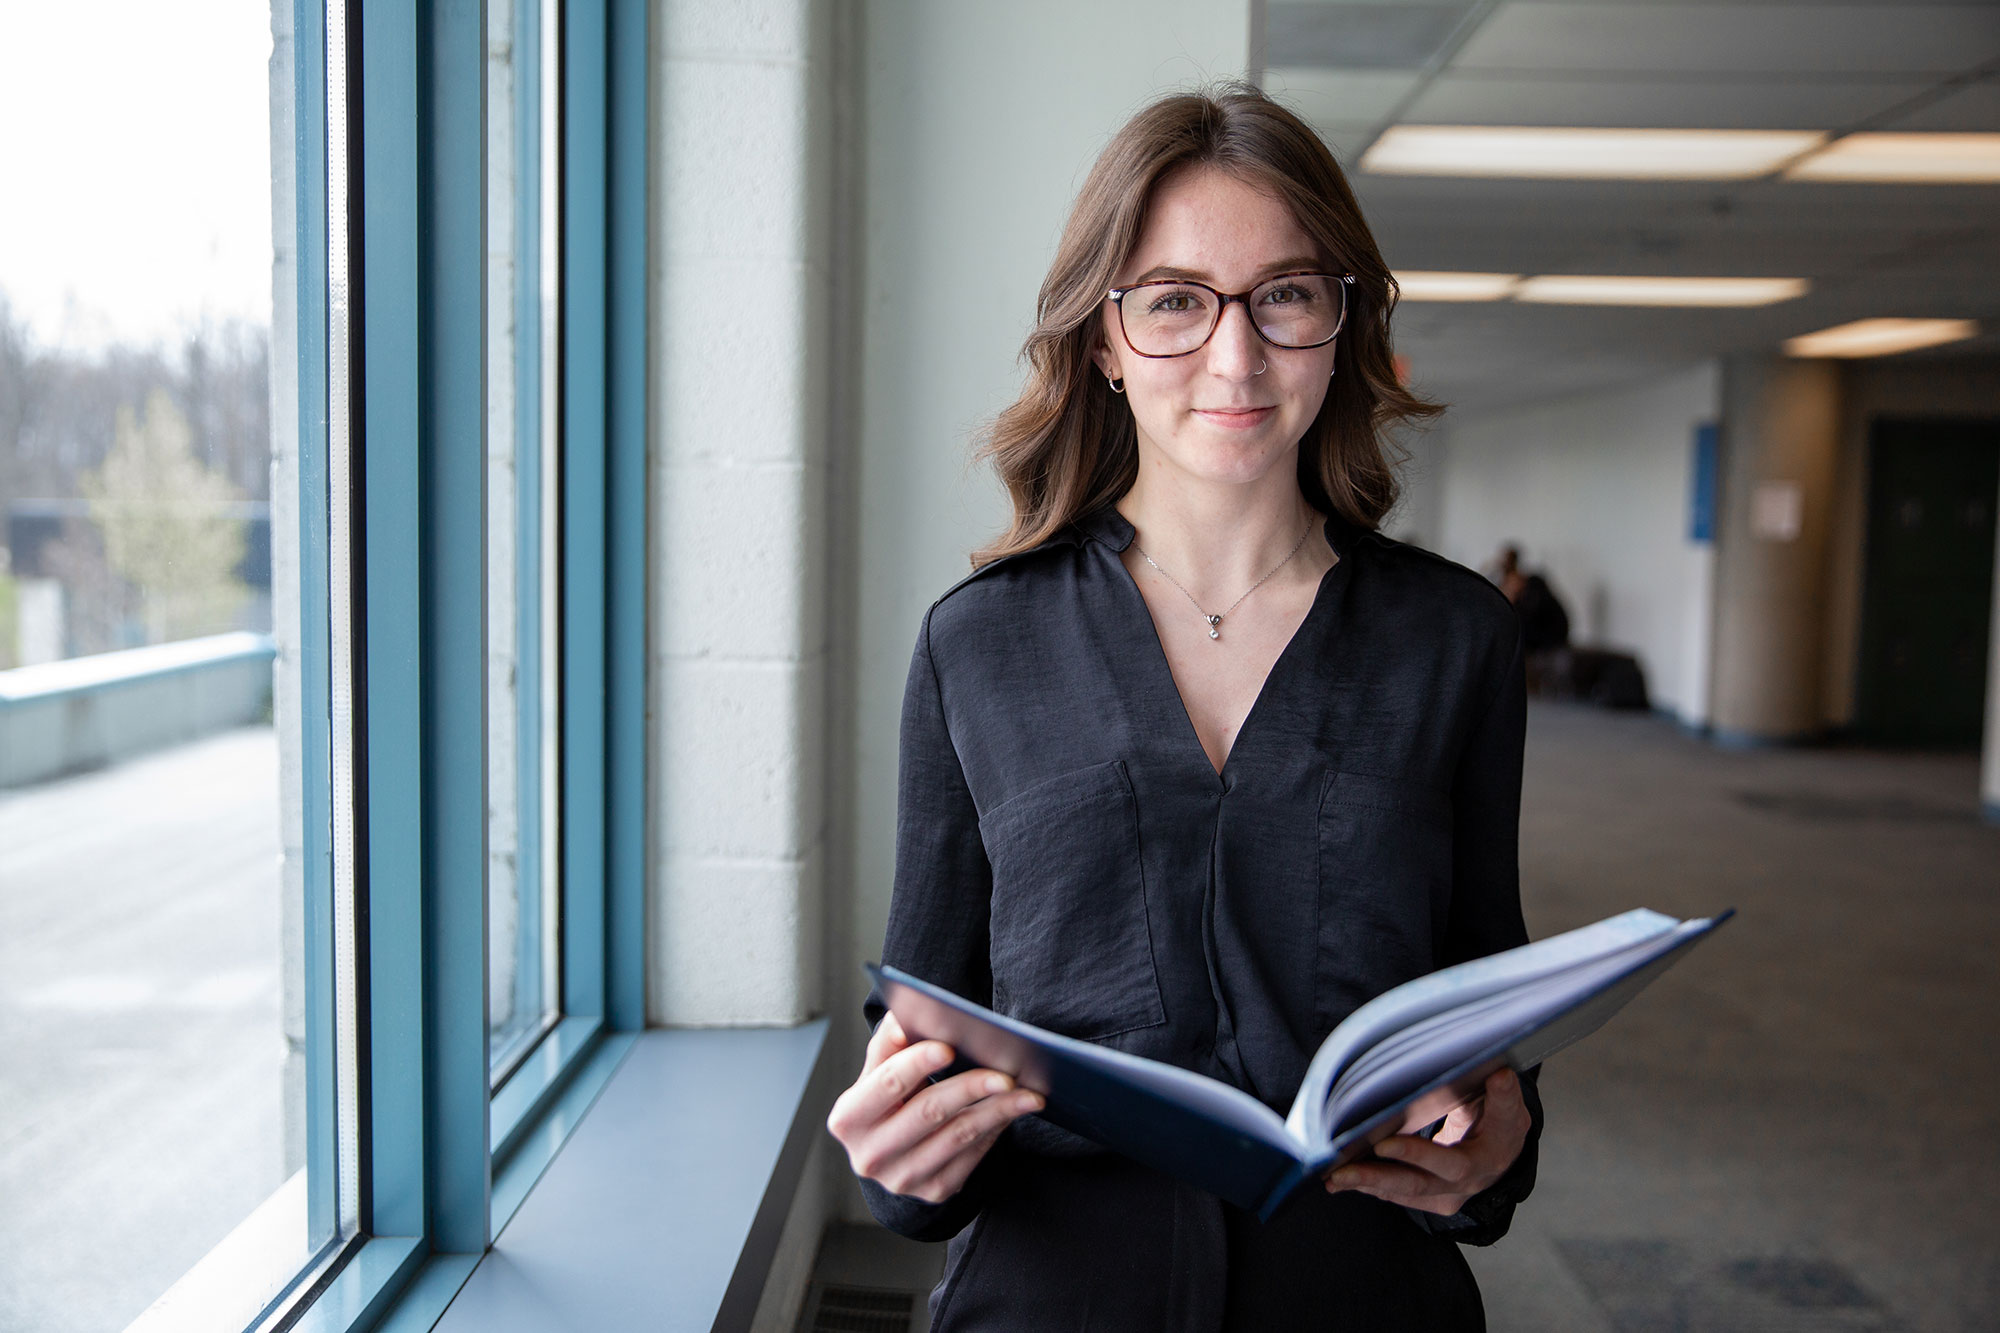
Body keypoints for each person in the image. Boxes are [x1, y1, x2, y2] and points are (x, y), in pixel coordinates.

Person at [826, 85, 1540, 1332]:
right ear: (1100, 341)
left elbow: (1485, 1005)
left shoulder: (1454, 639)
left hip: (1361, 1301)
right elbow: (924, 1022)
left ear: (1341, 321)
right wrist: (899, 1165)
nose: (1234, 355)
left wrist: (1500, 1145)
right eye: (1171, 301)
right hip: (1050, 1300)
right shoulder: (976, 644)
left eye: (1282, 295)